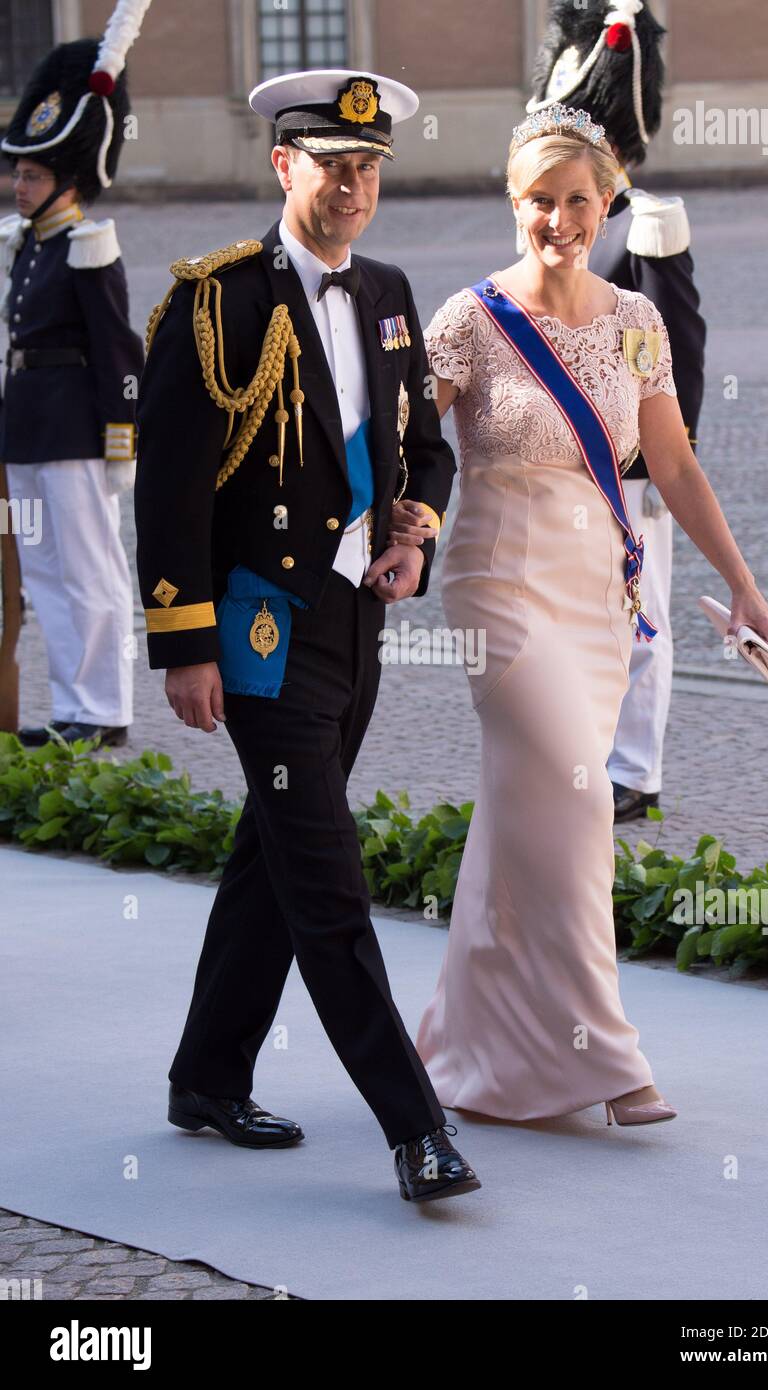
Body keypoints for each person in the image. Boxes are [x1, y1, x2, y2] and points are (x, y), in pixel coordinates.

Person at [391, 104, 768, 1126]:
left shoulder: (635, 322)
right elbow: (400, 450)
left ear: (606, 204)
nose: (559, 219)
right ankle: (606, 1055)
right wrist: (380, 532)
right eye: (539, 200)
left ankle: (467, 1051)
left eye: (578, 201)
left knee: (520, 820)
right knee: (573, 803)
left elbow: (675, 464)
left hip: (599, 598)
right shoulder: (468, 321)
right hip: (499, 590)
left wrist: (743, 585)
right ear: (511, 201)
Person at [134, 68, 479, 1203]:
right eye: (334, 165)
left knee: (273, 860)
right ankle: (413, 1128)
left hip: (355, 619)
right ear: (284, 165)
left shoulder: (385, 288)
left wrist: (412, 531)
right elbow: (172, 488)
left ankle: (205, 1074)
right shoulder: (214, 301)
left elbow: (422, 445)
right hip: (261, 630)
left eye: (369, 167)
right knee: (328, 878)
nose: (354, 186)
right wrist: (185, 645)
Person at [530, 0, 707, 821]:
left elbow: (676, 359)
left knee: (639, 616)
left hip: (628, 460)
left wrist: (657, 463)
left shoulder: (647, 229)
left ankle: (633, 769)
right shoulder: (557, 230)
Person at [0, 8, 149, 748]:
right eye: (18, 174)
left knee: (91, 572)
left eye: (30, 175)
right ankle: (69, 708)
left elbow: (118, 349)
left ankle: (104, 712)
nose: (17, 186)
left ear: (65, 182)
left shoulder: (90, 247)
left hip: (75, 432)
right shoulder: (29, 247)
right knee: (43, 572)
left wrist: (121, 438)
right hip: (27, 429)